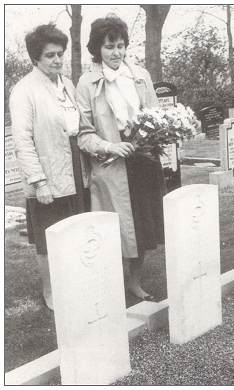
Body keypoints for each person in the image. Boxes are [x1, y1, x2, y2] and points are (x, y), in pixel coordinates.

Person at [76, 15, 165, 300]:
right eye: (109, 47)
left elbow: (155, 116)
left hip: (143, 160)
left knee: (142, 227)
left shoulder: (140, 76)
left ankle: (135, 280)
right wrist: (111, 146)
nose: (116, 53)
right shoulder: (87, 83)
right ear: (97, 50)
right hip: (112, 165)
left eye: (121, 46)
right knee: (116, 228)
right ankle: (111, 281)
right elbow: (83, 134)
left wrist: (152, 139)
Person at [9, 24, 90, 310]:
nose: (57, 60)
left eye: (60, 54)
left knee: (75, 229)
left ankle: (76, 282)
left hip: (74, 168)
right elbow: (22, 141)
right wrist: (39, 181)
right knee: (48, 237)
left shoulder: (66, 84)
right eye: (50, 55)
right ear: (35, 58)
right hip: (46, 171)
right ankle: (50, 290)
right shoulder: (23, 91)